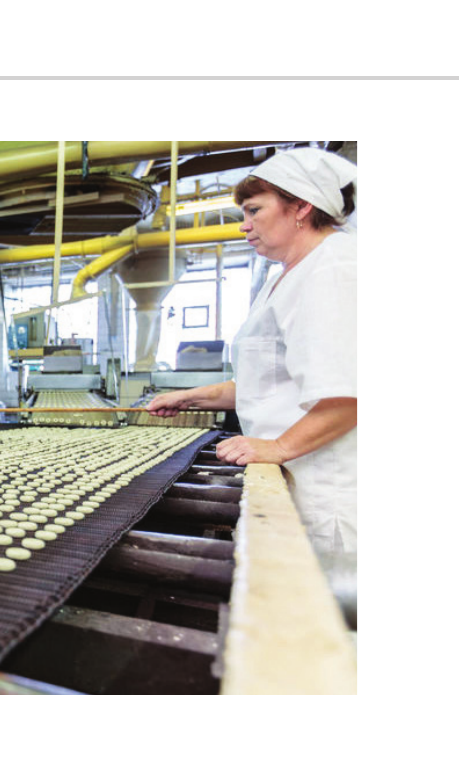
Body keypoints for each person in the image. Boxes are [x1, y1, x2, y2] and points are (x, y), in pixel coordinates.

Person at [147, 148, 357, 625]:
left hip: (330, 491)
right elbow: (265, 384)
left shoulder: (335, 267)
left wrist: (278, 446)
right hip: (294, 479)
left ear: (301, 205)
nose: (244, 226)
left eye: (254, 210)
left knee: (326, 630)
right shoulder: (288, 276)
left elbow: (350, 394)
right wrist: (191, 396)